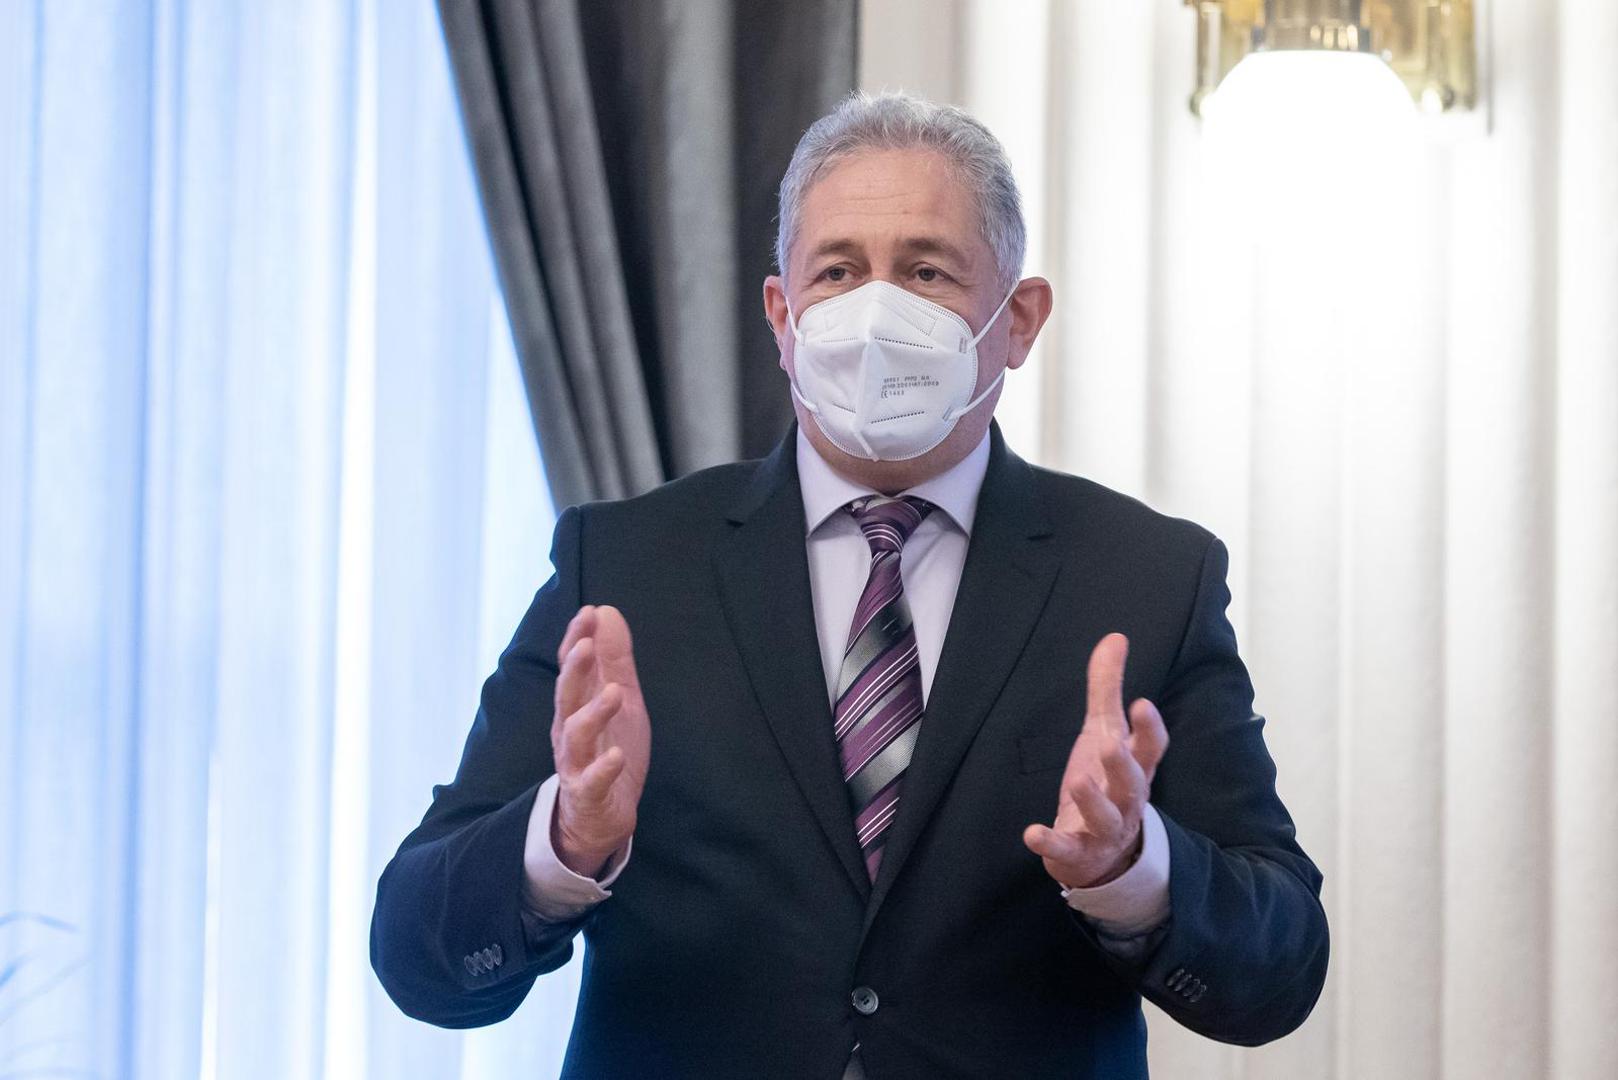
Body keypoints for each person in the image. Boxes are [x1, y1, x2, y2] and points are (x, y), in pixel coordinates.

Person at [370, 91, 1328, 1079]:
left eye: (926, 271)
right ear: (782, 317)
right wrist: (565, 841)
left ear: (1018, 320)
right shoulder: (624, 565)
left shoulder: (1147, 577)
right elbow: (416, 954)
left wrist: (1133, 869)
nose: (876, 315)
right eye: (837, 271)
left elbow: (1282, 967)